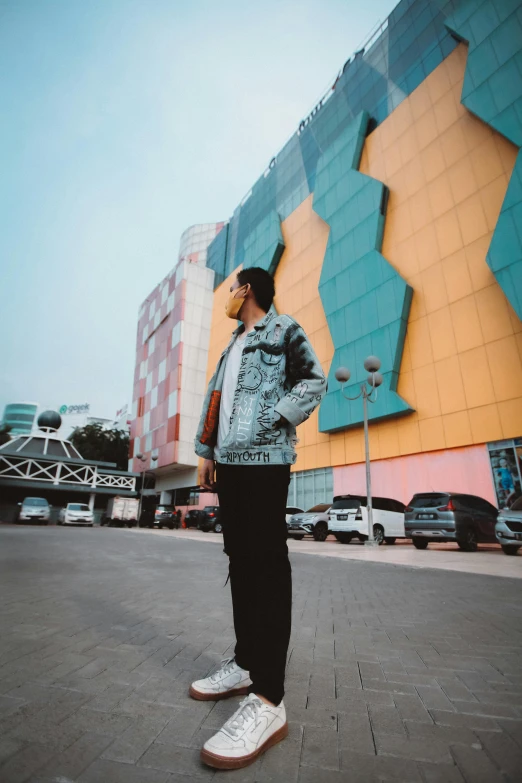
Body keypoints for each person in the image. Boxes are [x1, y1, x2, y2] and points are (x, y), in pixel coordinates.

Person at [191, 266, 326, 769]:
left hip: (266, 461)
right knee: (240, 563)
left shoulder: (283, 329)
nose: (228, 297)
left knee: (267, 566)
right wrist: (206, 451)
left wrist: (275, 414)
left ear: (247, 290)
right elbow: (215, 401)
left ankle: (269, 698)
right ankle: (246, 663)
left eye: (231, 289)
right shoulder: (230, 346)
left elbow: (313, 378)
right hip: (227, 465)